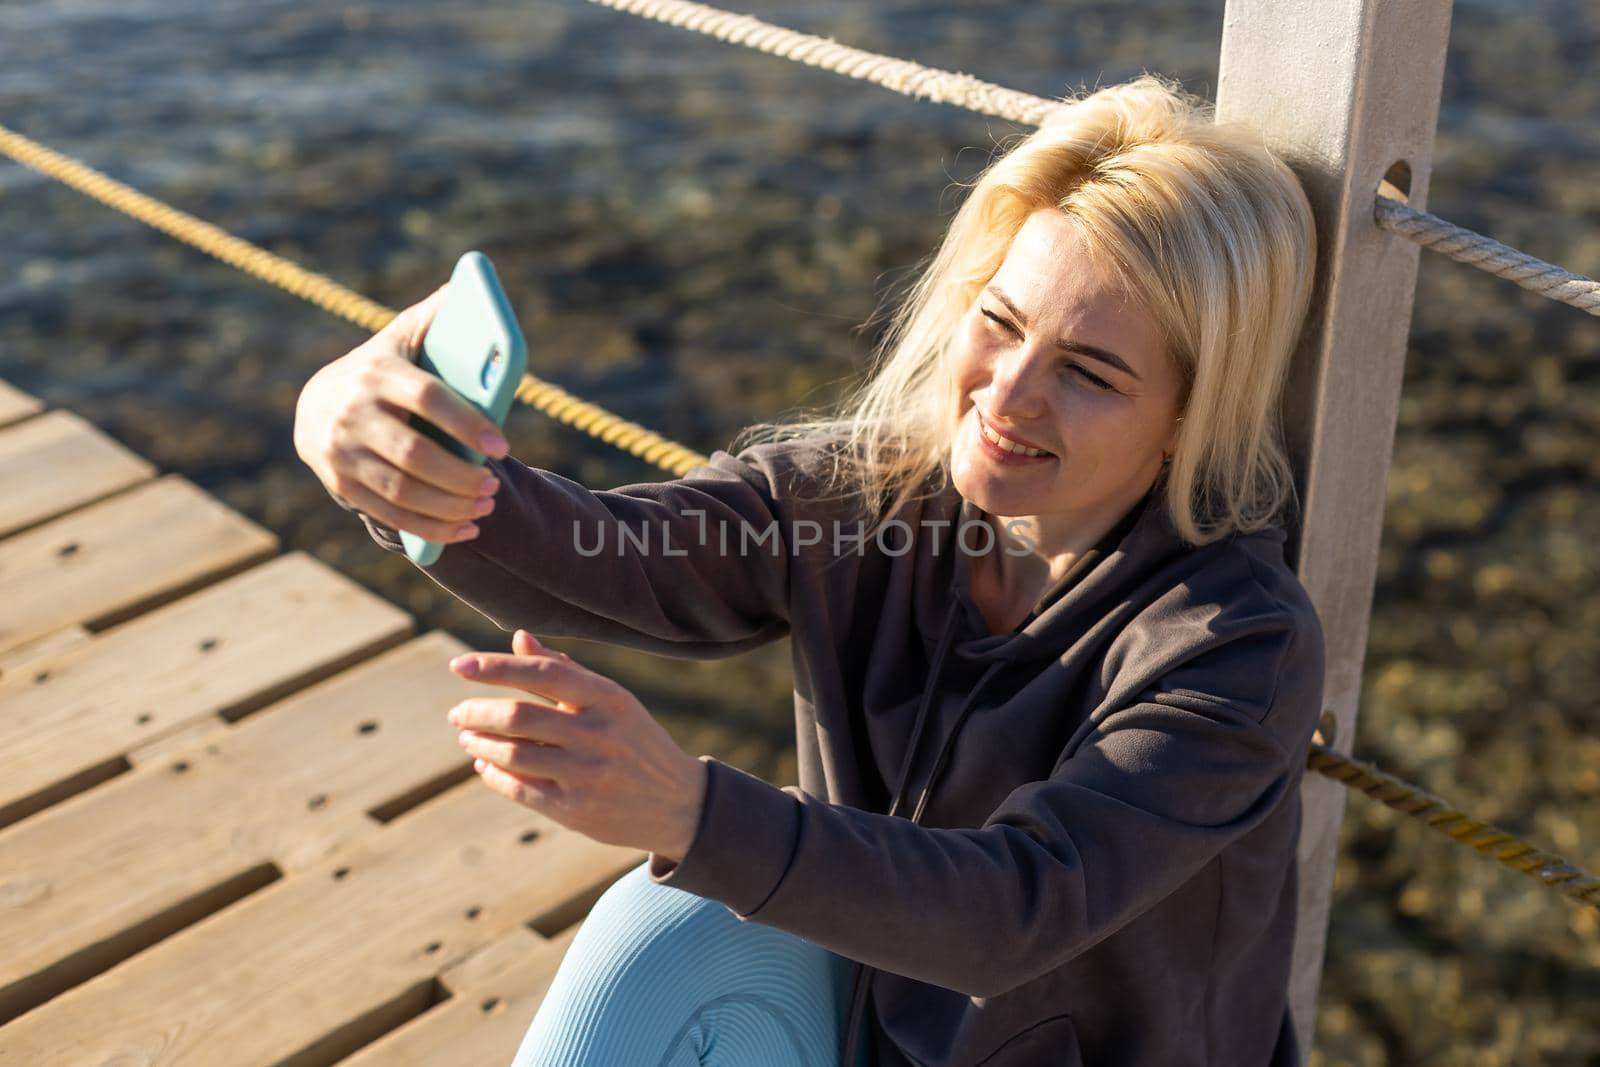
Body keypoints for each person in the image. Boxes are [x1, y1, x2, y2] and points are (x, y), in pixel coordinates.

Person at [293, 74, 1326, 1067]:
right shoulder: (872, 495)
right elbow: (608, 558)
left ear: (1191, 412)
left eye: (1089, 372)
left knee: (697, 872)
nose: (1006, 397)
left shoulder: (1235, 643)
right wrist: (382, 454)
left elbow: (1020, 904)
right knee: (670, 918)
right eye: (1000, 323)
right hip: (869, 1018)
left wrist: (687, 810)